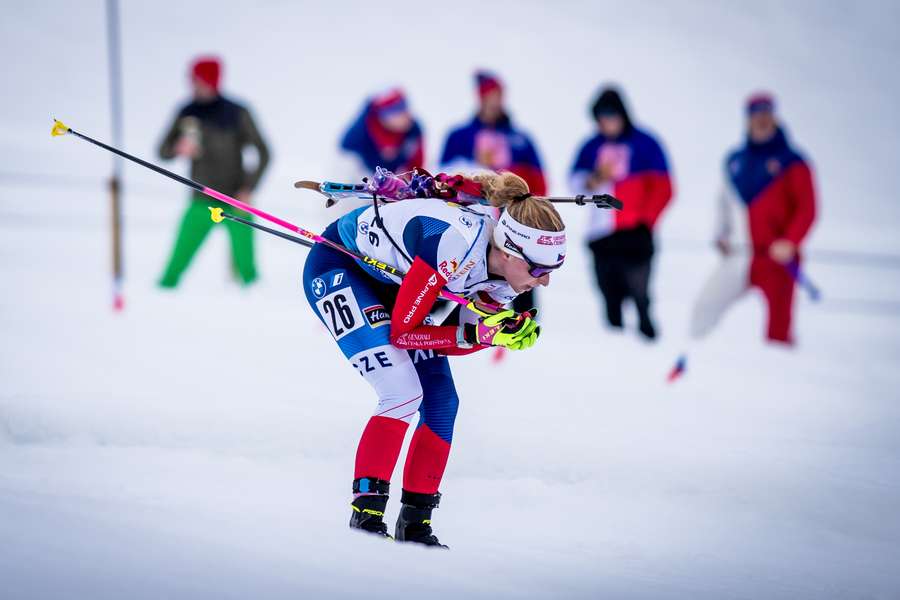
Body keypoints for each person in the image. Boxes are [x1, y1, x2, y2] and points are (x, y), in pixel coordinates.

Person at [302, 172, 565, 546]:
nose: (544, 282)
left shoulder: (507, 278)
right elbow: (404, 334)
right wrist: (480, 334)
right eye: (538, 270)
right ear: (508, 252)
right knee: (402, 391)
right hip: (341, 266)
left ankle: (415, 524)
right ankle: (366, 519)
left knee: (442, 401)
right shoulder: (454, 246)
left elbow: (449, 341)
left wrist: (491, 335)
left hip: (399, 284)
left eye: (552, 271)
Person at [689, 93, 816, 345]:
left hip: (777, 258)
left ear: (774, 118)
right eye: (756, 117)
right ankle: (693, 360)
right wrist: (721, 234)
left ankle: (782, 375)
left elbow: (807, 209)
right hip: (740, 254)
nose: (761, 121)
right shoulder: (735, 161)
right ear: (747, 120)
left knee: (778, 332)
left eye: (766, 116)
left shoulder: (793, 162)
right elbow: (723, 202)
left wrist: (790, 242)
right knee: (704, 308)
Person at [440, 71, 548, 315]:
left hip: (513, 217)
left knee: (524, 261)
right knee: (465, 258)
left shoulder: (520, 139)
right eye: (488, 96)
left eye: (498, 95)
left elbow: (538, 181)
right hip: (473, 216)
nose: (494, 102)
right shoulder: (459, 136)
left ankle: (525, 313)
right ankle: (446, 306)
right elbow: (445, 176)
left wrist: (532, 212)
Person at [157, 56, 270, 288]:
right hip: (200, 200)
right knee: (174, 267)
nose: (195, 85)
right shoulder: (186, 112)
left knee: (248, 274)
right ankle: (160, 299)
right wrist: (178, 148)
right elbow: (162, 151)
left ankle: (255, 308)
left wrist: (248, 189)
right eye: (193, 80)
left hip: (236, 200)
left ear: (213, 81)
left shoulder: (237, 112)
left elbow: (264, 152)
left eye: (200, 80)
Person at [569, 87, 673, 340]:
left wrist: (646, 221)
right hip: (601, 233)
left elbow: (664, 187)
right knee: (608, 292)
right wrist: (594, 180)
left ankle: (648, 341)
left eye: (611, 116)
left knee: (640, 293)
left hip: (636, 232)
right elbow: (575, 182)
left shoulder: (645, 143)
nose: (607, 123)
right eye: (601, 118)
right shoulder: (591, 146)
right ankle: (614, 344)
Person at [332, 88, 424, 213]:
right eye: (394, 112)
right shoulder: (362, 131)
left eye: (404, 108)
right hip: (361, 173)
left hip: (389, 177)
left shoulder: (413, 130)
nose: (402, 116)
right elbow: (346, 151)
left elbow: (416, 162)